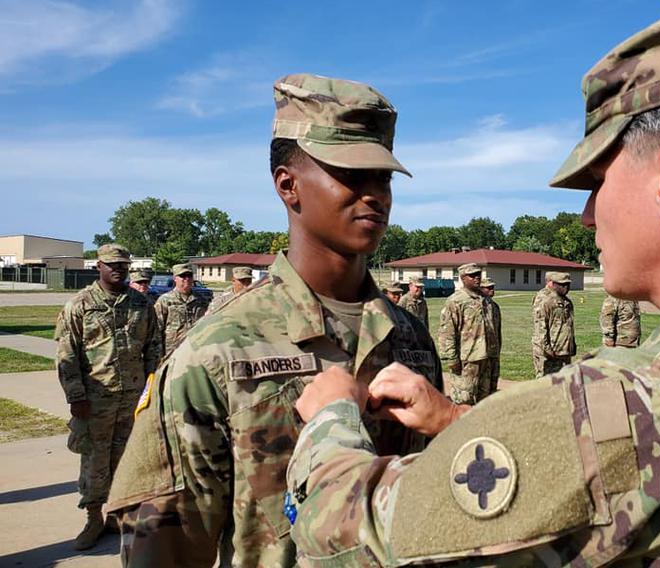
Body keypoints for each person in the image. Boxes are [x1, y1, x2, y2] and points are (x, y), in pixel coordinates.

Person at [284, 1, 660, 565]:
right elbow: (613, 472)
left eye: (597, 182)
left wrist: (331, 417)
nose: (587, 216)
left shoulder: (650, 399)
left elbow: (352, 530)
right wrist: (455, 420)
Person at [107, 73, 444, 567]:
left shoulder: (409, 334)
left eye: (383, 177)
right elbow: (167, 551)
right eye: (351, 175)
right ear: (289, 186)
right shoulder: (217, 351)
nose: (374, 194)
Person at [54, 243, 160, 550]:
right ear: (98, 266)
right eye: (112, 264)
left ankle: (118, 515)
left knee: (128, 459)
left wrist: (151, 388)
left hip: (133, 399)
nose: (118, 269)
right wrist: (76, 397)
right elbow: (66, 356)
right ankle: (93, 517)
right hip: (95, 399)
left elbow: (154, 346)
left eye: (123, 265)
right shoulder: (80, 305)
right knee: (94, 460)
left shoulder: (141, 304)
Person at [438, 263, 494, 404]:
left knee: (485, 397)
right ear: (463, 278)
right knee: (464, 399)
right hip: (466, 359)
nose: (477, 278)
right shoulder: (456, 301)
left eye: (478, 275)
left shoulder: (486, 301)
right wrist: (452, 359)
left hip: (486, 357)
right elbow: (447, 332)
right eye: (472, 275)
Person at [154, 263, 210, 357]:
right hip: (172, 350)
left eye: (189, 276)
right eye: (183, 276)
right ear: (175, 278)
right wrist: (158, 355)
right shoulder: (165, 300)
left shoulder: (201, 300)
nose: (187, 279)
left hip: (196, 349)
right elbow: (157, 329)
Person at [531, 271, 576, 378]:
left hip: (563, 350)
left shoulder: (566, 302)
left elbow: (568, 325)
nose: (566, 287)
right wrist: (547, 349)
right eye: (562, 284)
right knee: (546, 384)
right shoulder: (545, 300)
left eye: (568, 284)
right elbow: (541, 327)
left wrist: (571, 345)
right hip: (550, 352)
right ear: (553, 284)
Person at [479, 278, 502, 393]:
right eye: (489, 288)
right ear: (481, 289)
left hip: (494, 350)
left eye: (493, 287)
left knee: (493, 382)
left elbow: (498, 330)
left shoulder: (495, 306)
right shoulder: (477, 306)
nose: (492, 290)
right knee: (482, 384)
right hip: (482, 351)